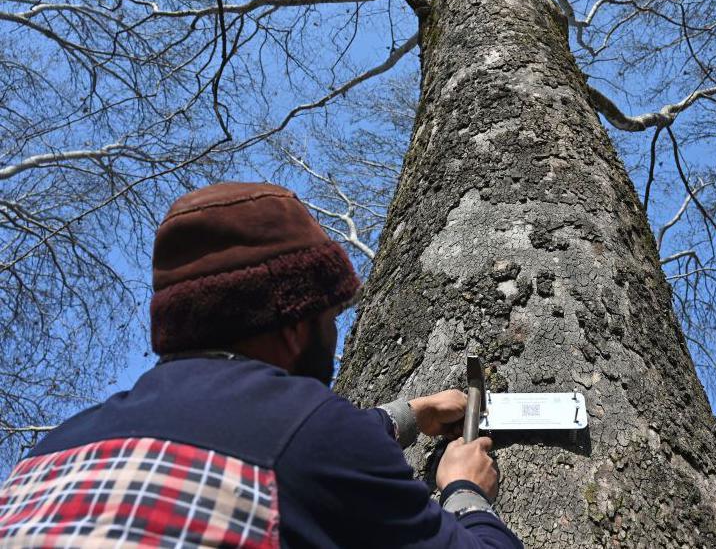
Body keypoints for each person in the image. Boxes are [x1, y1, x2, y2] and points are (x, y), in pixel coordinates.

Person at [0, 182, 522, 548]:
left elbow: (263, 442)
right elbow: (304, 442)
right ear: (295, 326)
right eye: (330, 316)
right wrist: (465, 491)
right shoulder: (310, 430)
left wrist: (406, 414)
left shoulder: (56, 446)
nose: (334, 334)